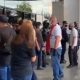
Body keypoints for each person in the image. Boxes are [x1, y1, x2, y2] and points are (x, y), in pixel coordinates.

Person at [0, 15, 16, 80]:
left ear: (1, 22)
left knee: (3, 77)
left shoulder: (0, 31)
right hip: (11, 58)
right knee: (10, 77)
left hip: (2, 59)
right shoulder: (13, 31)